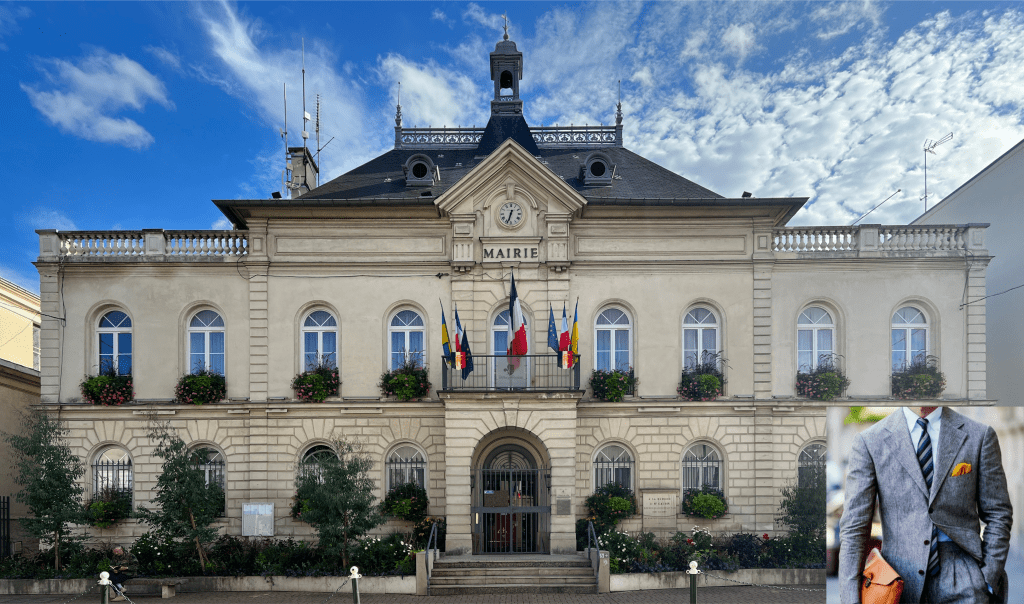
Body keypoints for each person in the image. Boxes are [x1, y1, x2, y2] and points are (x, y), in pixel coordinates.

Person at [839, 406, 1013, 603]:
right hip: (896, 584)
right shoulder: (869, 441)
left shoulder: (979, 435)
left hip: (964, 578)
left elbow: (998, 513)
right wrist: (851, 599)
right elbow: (855, 527)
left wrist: (987, 577)